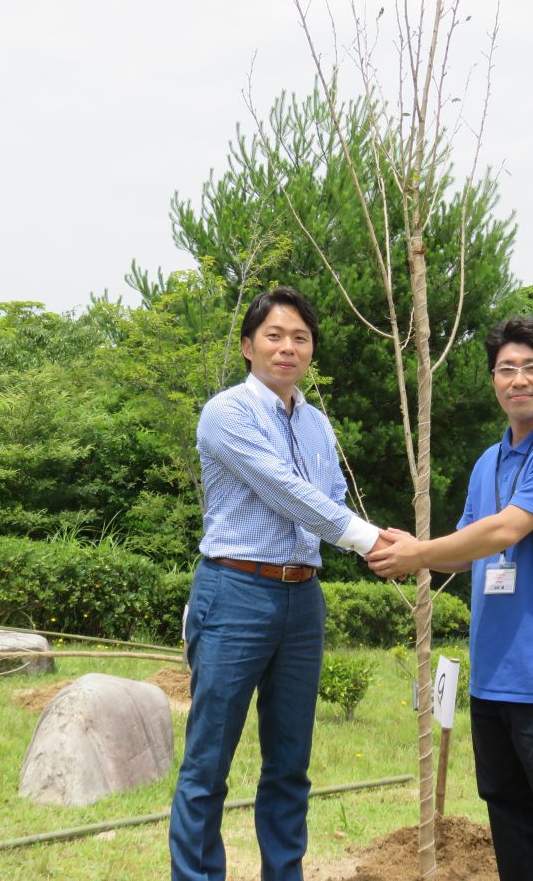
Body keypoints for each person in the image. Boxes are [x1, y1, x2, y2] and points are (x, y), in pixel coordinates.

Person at [369, 316, 533, 881]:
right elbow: (465, 552)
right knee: (509, 816)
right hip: (493, 678)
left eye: (532, 368)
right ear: (494, 381)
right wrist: (411, 548)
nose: (518, 379)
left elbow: (504, 530)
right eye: (506, 369)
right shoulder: (487, 462)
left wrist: (419, 554)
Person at [169, 287, 387, 881]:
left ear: (311, 350)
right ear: (248, 346)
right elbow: (284, 491)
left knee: (290, 763)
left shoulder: (317, 424)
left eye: (300, 337)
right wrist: (369, 539)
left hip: (303, 599)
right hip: (234, 591)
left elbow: (330, 497)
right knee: (207, 763)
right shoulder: (226, 413)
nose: (287, 347)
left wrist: (383, 542)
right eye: (274, 335)